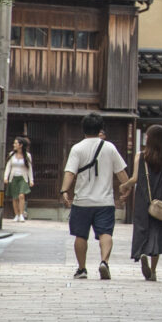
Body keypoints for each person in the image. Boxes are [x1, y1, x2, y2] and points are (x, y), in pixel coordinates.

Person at [63, 113, 129, 280]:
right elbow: (121, 172)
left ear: (83, 129)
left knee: (80, 235)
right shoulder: (110, 147)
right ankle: (104, 262)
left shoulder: (77, 148)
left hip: (82, 201)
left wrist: (64, 190)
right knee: (106, 233)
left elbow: (70, 172)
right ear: (100, 129)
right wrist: (126, 189)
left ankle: (82, 269)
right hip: (105, 201)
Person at [129, 128, 162, 280]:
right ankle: (154, 271)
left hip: (143, 200)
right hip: (161, 201)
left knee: (142, 229)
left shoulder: (140, 156)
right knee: (157, 233)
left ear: (150, 138)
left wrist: (124, 186)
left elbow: (135, 179)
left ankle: (143, 252)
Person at [2, 137, 33, 222]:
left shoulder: (27, 155)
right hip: (13, 177)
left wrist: (31, 180)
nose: (14, 145)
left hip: (23, 178)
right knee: (15, 197)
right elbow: (8, 166)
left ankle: (22, 214)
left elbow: (30, 168)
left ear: (21, 145)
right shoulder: (11, 154)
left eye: (16, 143)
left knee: (21, 196)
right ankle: (16, 214)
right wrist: (5, 177)